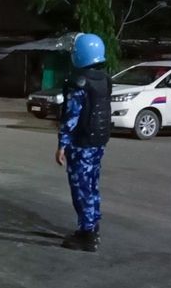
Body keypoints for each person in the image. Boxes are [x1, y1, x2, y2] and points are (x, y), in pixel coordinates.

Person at [55, 33, 111, 252]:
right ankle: (93, 225)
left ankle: (86, 234)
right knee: (92, 185)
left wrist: (62, 144)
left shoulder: (78, 82)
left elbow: (71, 116)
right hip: (98, 141)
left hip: (81, 143)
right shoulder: (104, 79)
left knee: (81, 188)